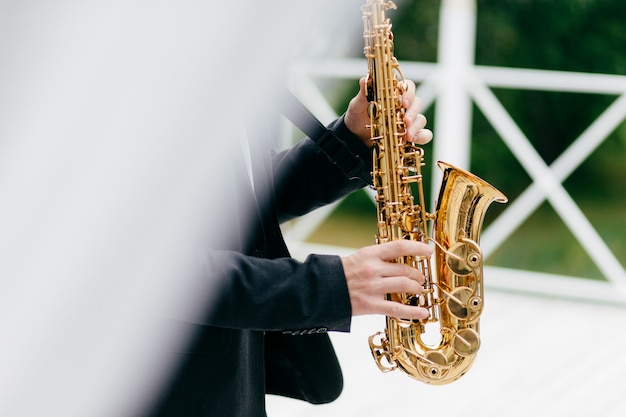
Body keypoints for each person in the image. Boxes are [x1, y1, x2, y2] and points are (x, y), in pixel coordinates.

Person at [144, 77, 433, 417]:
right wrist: (326, 287)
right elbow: (137, 272)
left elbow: (245, 197)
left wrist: (351, 140)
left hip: (231, 381)